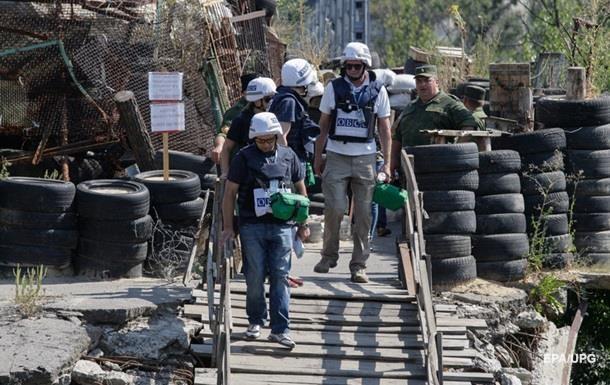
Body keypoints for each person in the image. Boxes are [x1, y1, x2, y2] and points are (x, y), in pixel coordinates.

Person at [221, 112, 309, 349]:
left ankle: (280, 329)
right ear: (253, 138)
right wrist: (229, 227)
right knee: (255, 275)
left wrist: (303, 223)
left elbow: (301, 191)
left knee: (280, 275)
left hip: (282, 226)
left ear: (277, 136)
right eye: (260, 140)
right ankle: (255, 320)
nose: (266, 144)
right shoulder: (243, 158)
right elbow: (230, 193)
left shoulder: (289, 157)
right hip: (252, 226)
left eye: (269, 139)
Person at [312, 42, 392, 284]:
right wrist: (318, 156)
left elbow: (385, 130)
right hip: (337, 155)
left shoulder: (379, 91)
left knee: (365, 214)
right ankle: (328, 256)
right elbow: (323, 125)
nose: (353, 69)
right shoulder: (333, 88)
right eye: (348, 65)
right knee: (335, 208)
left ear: (365, 65)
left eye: (357, 65)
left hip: (366, 158)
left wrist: (387, 164)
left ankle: (359, 265)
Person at [390, 64, 480, 173]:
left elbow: (469, 124)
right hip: (409, 166)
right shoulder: (410, 106)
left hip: (436, 168)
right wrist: (393, 160)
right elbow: (397, 136)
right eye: (419, 81)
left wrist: (457, 152)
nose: (422, 84)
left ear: (436, 82)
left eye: (427, 80)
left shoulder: (449, 103)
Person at [219, 77, 277, 177]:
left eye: (273, 98)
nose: (272, 102)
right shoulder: (241, 120)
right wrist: (225, 173)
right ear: (257, 101)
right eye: (268, 99)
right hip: (248, 173)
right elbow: (227, 148)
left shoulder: (275, 117)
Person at [268, 58, 320, 161]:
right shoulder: (288, 101)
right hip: (293, 158)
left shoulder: (282, 96)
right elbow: (281, 135)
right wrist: (286, 163)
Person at [211, 73, 259, 164]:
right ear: (244, 93)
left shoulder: (271, 105)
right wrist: (220, 146)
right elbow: (223, 133)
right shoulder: (236, 112)